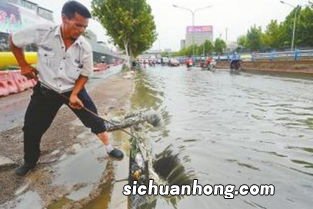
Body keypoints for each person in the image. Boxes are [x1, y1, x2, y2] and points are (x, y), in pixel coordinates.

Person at [9, 1, 124, 176]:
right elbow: (14, 41)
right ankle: (30, 161)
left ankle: (109, 148)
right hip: (46, 90)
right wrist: (23, 65)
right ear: (64, 18)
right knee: (32, 128)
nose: (81, 30)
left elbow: (85, 74)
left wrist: (76, 93)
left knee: (95, 121)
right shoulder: (43, 32)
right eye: (78, 25)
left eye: (84, 27)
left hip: (72, 89)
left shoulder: (84, 46)